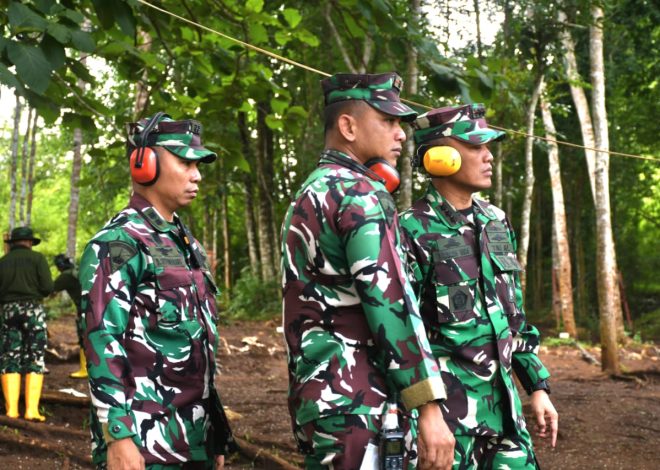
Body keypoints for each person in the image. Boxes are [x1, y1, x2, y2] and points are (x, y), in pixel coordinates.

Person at [281, 72, 454, 469]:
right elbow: (389, 301)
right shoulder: (358, 193)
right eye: (389, 121)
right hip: (359, 400)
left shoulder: (313, 189)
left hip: (324, 399)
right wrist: (428, 406)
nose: (401, 135)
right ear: (348, 126)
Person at [400, 103, 559, 469]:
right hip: (447, 426)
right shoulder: (410, 230)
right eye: (475, 146)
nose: (488, 156)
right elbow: (402, 334)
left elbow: (512, 317)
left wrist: (536, 386)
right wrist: (425, 416)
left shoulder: (496, 222)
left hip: (505, 419)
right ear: (440, 157)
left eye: (488, 146)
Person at [79, 112, 236, 469]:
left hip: (193, 438)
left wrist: (215, 432)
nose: (196, 175)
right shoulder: (119, 242)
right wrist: (117, 435)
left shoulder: (183, 242)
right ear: (144, 164)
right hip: (145, 442)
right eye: (184, 162)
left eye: (198, 165)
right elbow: (101, 338)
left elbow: (198, 344)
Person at [0, 226, 53, 422]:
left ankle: (12, 410)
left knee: (9, 356)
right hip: (33, 311)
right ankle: (31, 410)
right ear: (30, 242)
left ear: (12, 243)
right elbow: (48, 287)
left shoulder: (3, 262)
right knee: (35, 356)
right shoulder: (38, 259)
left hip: (7, 312)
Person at [52, 254, 86, 378]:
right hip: (95, 307)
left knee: (84, 338)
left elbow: (49, 290)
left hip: (85, 309)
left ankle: (85, 369)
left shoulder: (65, 276)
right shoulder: (77, 271)